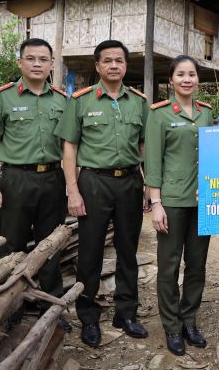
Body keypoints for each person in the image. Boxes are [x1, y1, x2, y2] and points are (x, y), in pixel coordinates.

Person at [54, 40, 149, 347]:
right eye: (106, 61)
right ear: (97, 66)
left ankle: (126, 313)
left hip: (130, 183)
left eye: (119, 61)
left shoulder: (139, 102)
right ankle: (89, 317)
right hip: (93, 183)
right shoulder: (81, 101)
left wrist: (147, 183)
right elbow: (69, 147)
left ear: (125, 66)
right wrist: (73, 190)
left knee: (127, 250)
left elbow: (146, 145)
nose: (113, 66)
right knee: (90, 252)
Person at [0, 38, 70, 330]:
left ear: (52, 64)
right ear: (20, 62)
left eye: (43, 59)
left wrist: (71, 184)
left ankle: (51, 306)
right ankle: (11, 307)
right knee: (13, 245)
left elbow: (69, 145)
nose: (37, 64)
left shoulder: (61, 99)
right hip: (16, 179)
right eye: (30, 58)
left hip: (53, 179)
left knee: (51, 245)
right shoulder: (4, 97)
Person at [145, 55, 215, 356]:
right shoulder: (159, 114)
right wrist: (156, 203)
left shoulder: (207, 113)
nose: (187, 79)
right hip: (172, 201)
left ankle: (190, 320)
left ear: (198, 80)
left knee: (197, 265)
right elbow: (153, 162)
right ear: (171, 80)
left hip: (203, 202)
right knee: (170, 265)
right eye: (181, 74)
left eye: (192, 74)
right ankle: (172, 326)